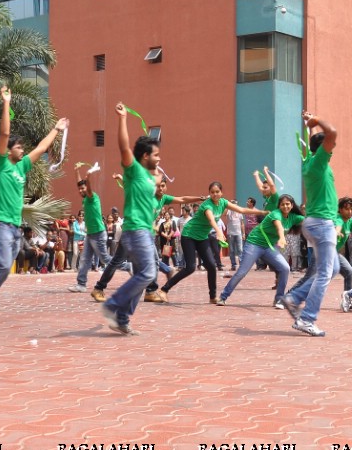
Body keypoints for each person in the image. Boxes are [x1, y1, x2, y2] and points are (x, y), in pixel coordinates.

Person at [0, 85, 67, 330]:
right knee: (1, 265)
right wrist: (6, 102)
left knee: (4, 270)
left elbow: (41, 148)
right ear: (10, 151)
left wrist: (56, 129)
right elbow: (4, 133)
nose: (23, 150)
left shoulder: (22, 167)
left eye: (22, 148)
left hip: (14, 226)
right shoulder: (1, 164)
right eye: (19, 147)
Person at [99, 102, 161, 335]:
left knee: (141, 275)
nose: (159, 158)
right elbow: (124, 147)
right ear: (144, 156)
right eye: (156, 155)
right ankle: (113, 304)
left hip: (145, 230)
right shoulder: (134, 170)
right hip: (136, 230)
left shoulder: (148, 176)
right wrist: (123, 118)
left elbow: (156, 181)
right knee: (148, 274)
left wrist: (155, 168)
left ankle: (122, 319)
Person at [279, 112, 339, 337]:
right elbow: (332, 132)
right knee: (325, 273)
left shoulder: (309, 161)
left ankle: (294, 298)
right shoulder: (319, 162)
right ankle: (307, 318)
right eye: (329, 145)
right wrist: (316, 120)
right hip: (322, 223)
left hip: (313, 223)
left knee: (333, 269)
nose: (333, 146)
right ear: (323, 147)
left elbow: (316, 142)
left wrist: (310, 128)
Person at [161, 181, 265, 303]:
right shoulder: (207, 205)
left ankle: (212, 297)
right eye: (212, 192)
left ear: (221, 192)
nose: (215, 194)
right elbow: (211, 219)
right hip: (189, 235)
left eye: (217, 192)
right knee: (190, 267)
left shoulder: (223, 202)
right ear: (209, 193)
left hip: (202, 237)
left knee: (211, 265)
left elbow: (241, 210)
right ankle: (164, 289)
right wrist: (219, 232)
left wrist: (262, 212)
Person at [217, 194, 302, 307]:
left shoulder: (293, 217)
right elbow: (279, 227)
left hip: (269, 247)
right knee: (242, 272)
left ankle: (279, 299)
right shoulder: (275, 214)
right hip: (254, 244)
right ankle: (223, 296)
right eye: (282, 204)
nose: (285, 206)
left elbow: (309, 219)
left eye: (287, 204)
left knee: (285, 268)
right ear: (279, 205)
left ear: (292, 205)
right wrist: (282, 238)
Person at [68, 164, 113, 294]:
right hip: (90, 234)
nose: (81, 191)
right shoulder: (85, 199)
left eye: (83, 188)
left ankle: (128, 266)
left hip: (98, 234)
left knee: (105, 259)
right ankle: (81, 284)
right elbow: (79, 183)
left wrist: (88, 177)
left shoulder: (92, 197)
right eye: (79, 189)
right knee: (84, 259)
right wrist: (76, 171)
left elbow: (87, 188)